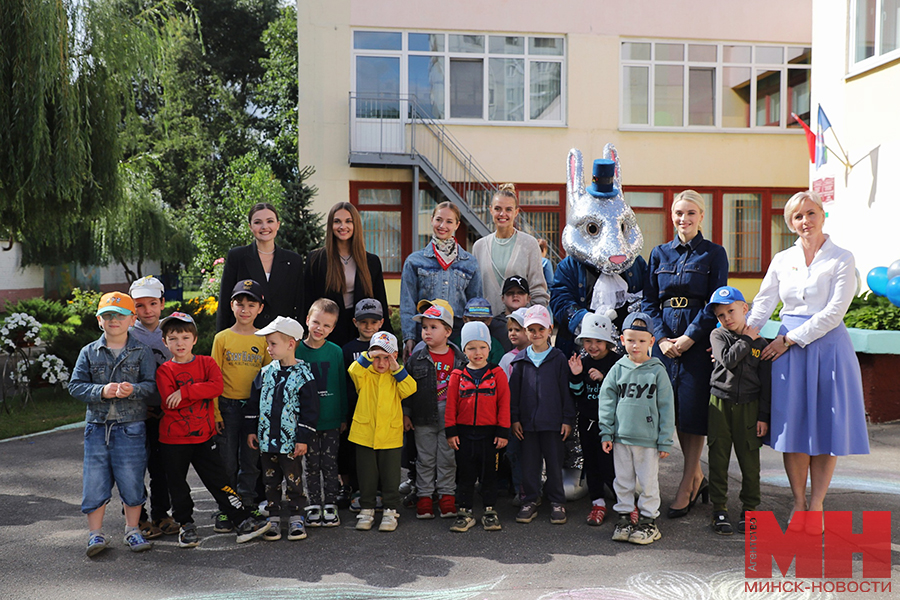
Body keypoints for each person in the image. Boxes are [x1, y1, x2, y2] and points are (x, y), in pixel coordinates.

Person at [746, 190, 869, 535]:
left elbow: (834, 312)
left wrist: (789, 339)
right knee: (794, 428)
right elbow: (764, 301)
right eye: (798, 216)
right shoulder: (783, 259)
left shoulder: (842, 258)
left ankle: (817, 504)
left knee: (825, 430)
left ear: (822, 215)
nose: (805, 221)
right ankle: (799, 502)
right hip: (789, 352)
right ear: (790, 223)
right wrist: (745, 336)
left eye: (811, 213)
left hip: (827, 348)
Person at [641, 189, 728, 518]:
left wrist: (689, 338)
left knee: (693, 412)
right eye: (679, 213)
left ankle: (687, 482)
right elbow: (649, 301)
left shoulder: (714, 254)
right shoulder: (659, 253)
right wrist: (662, 339)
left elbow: (714, 301)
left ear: (701, 216)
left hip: (697, 342)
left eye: (691, 213)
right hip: (665, 345)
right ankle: (697, 476)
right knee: (673, 411)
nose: (684, 219)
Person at [156, 312, 271, 548]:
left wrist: (185, 392)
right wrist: (200, 390)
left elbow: (217, 386)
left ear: (195, 339)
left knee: (219, 480)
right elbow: (169, 401)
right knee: (177, 484)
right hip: (173, 439)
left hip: (204, 437)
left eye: (185, 337)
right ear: (164, 342)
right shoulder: (164, 371)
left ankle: (240, 520)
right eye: (173, 338)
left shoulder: (206, 363)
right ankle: (186, 525)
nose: (180, 344)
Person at [69, 292, 158, 557]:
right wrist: (101, 391)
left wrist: (134, 390)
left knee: (132, 481)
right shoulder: (89, 352)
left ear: (132, 319)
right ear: (99, 320)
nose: (114, 320)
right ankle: (95, 534)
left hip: (130, 428)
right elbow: (75, 386)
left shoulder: (141, 351)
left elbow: (152, 386)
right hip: (97, 428)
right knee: (94, 482)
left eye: (120, 315)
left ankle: (132, 529)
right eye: (108, 315)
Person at [598, 312, 675, 546]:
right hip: (621, 438)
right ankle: (624, 518)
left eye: (642, 341)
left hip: (648, 440)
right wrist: (606, 431)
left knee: (648, 482)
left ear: (652, 341)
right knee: (622, 480)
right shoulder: (617, 369)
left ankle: (648, 521)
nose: (636, 345)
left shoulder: (657, 371)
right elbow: (607, 400)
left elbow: (666, 407)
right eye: (631, 340)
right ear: (622, 340)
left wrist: (665, 440)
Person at [247, 316, 320, 541]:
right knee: (270, 480)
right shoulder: (265, 372)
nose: (269, 348)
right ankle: (274, 517)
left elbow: (310, 409)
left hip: (291, 443)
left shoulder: (304, 375)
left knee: (293, 478)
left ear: (291, 344)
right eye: (268, 343)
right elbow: (254, 401)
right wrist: (251, 429)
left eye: (273, 343)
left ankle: (297, 516)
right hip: (267, 439)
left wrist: (303, 438)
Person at [707, 286, 771, 535]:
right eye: (721, 315)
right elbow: (729, 360)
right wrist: (746, 339)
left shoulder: (761, 343)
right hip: (719, 404)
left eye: (731, 311)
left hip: (750, 407)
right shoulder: (717, 336)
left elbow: (766, 384)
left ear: (745, 308)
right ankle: (719, 508)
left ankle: (750, 509)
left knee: (750, 461)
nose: (727, 318)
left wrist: (763, 416)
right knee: (718, 457)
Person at [211, 279, 271, 530]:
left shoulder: (265, 339)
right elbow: (213, 378)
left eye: (251, 304)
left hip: (253, 411)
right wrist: (214, 411)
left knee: (250, 460)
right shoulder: (222, 338)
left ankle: (247, 504)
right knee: (226, 461)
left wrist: (266, 413)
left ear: (260, 308)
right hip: (227, 407)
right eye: (240, 303)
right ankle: (227, 508)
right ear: (231, 305)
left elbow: (269, 377)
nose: (245, 309)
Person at [509, 305, 575, 525]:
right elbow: (514, 395)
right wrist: (515, 419)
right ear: (526, 332)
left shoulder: (558, 359)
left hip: (553, 424)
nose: (536, 334)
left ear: (550, 329)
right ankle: (530, 499)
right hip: (527, 425)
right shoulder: (519, 361)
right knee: (529, 464)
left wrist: (567, 419)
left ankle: (557, 501)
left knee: (554, 465)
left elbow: (566, 393)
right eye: (531, 330)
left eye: (541, 329)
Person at [347, 332, 417, 532]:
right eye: (376, 357)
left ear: (395, 356)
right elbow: (353, 371)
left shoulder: (397, 377)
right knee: (367, 476)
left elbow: (410, 389)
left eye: (386, 357)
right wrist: (369, 355)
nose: (381, 362)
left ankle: (390, 510)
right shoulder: (365, 375)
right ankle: (367, 509)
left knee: (390, 476)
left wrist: (396, 367)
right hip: (365, 435)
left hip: (390, 436)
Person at [445, 321, 511, 532]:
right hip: (464, 435)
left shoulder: (497, 373)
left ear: (489, 348)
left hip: (490, 435)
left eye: (482, 347)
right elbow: (450, 405)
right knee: (465, 474)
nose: (477, 352)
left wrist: (503, 431)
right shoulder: (457, 375)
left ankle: (490, 510)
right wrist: (451, 430)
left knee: (489, 474)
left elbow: (504, 403)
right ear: (464, 349)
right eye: (471, 347)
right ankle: (465, 511)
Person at [405, 302, 466, 520]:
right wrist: (406, 413)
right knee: (425, 458)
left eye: (433, 327)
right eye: (424, 327)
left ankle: (447, 496)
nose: (427, 332)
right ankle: (424, 497)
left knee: (448, 457)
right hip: (423, 415)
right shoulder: (416, 358)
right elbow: (408, 388)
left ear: (448, 331)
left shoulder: (460, 359)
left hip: (451, 418)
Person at [400, 201, 483, 360]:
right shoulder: (415, 261)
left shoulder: (469, 263)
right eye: (438, 219)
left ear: (457, 225)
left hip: (458, 335)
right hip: (425, 334)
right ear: (432, 220)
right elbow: (407, 303)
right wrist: (409, 337)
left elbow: (475, 305)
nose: (442, 225)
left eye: (449, 221)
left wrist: (474, 338)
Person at [303, 202, 393, 348]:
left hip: (361, 332)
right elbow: (308, 300)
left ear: (355, 224)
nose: (342, 226)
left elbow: (380, 300)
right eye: (337, 221)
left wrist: (387, 337)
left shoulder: (371, 262)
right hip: (326, 333)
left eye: (348, 221)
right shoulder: (316, 259)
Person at [128, 276, 177, 538]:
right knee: (135, 467)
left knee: (162, 467)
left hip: (166, 411)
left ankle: (161, 513)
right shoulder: (127, 334)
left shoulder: (171, 331)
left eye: (153, 303)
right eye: (140, 305)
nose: (147, 310)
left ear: (162, 303)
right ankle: (139, 517)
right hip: (135, 413)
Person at [294, 298, 347, 528]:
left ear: (333, 328)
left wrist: (342, 416)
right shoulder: (295, 349)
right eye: (316, 322)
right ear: (307, 320)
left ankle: (331, 503)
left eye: (326, 326)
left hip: (331, 419)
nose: (320, 329)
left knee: (330, 464)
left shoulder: (335, 352)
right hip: (307, 422)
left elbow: (342, 385)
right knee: (311, 464)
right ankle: (314, 503)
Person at [217, 202, 304, 331]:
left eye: (270, 221)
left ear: (277, 225)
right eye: (258, 222)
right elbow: (224, 302)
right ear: (250, 227)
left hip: (281, 338)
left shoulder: (293, 261)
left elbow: (300, 305)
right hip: (244, 337)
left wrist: (299, 339)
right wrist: (221, 338)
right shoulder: (237, 257)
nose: (264, 227)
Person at [567, 312, 620, 526]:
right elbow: (577, 394)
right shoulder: (583, 361)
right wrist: (577, 375)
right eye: (588, 341)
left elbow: (623, 391)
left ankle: (624, 500)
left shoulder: (618, 362)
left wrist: (605, 378)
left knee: (611, 466)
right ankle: (597, 502)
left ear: (607, 341)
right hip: (587, 422)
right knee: (592, 464)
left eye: (598, 341)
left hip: (611, 424)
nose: (593, 346)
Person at [471, 184, 549, 314]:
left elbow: (538, 291)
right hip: (488, 326)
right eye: (497, 209)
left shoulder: (529, 244)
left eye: (508, 209)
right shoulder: (479, 247)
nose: (503, 214)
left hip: (522, 326)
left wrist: (532, 320)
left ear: (516, 212)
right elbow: (476, 291)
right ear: (490, 210)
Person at [339, 298, 387, 508]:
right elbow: (343, 381)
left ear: (381, 322)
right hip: (355, 408)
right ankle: (355, 489)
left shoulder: (386, 347)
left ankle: (379, 490)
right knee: (354, 452)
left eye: (373, 322)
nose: (368, 326)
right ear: (354, 322)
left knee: (379, 451)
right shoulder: (348, 349)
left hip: (380, 409)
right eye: (363, 322)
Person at [497, 308, 529, 505]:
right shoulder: (507, 358)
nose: (513, 333)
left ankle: (535, 488)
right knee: (514, 453)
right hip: (512, 417)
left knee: (532, 455)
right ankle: (520, 490)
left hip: (532, 416)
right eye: (510, 330)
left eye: (519, 329)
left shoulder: (538, 355)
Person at [491, 276, 532, 353]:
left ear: (528, 298)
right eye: (510, 293)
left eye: (520, 292)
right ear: (503, 298)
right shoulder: (494, 324)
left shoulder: (535, 323)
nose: (515, 296)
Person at [462, 297, 506, 364]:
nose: (478, 324)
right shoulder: (457, 343)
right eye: (473, 320)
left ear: (489, 320)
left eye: (483, 321)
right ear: (465, 319)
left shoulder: (496, 346)